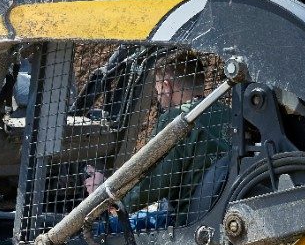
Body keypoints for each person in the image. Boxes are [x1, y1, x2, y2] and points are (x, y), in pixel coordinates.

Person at [83, 50, 231, 230]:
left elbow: (153, 183)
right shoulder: (227, 114)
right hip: (219, 214)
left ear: (167, 86)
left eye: (157, 88)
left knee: (96, 231)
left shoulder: (177, 119)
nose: (157, 95)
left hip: (186, 223)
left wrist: (109, 197)